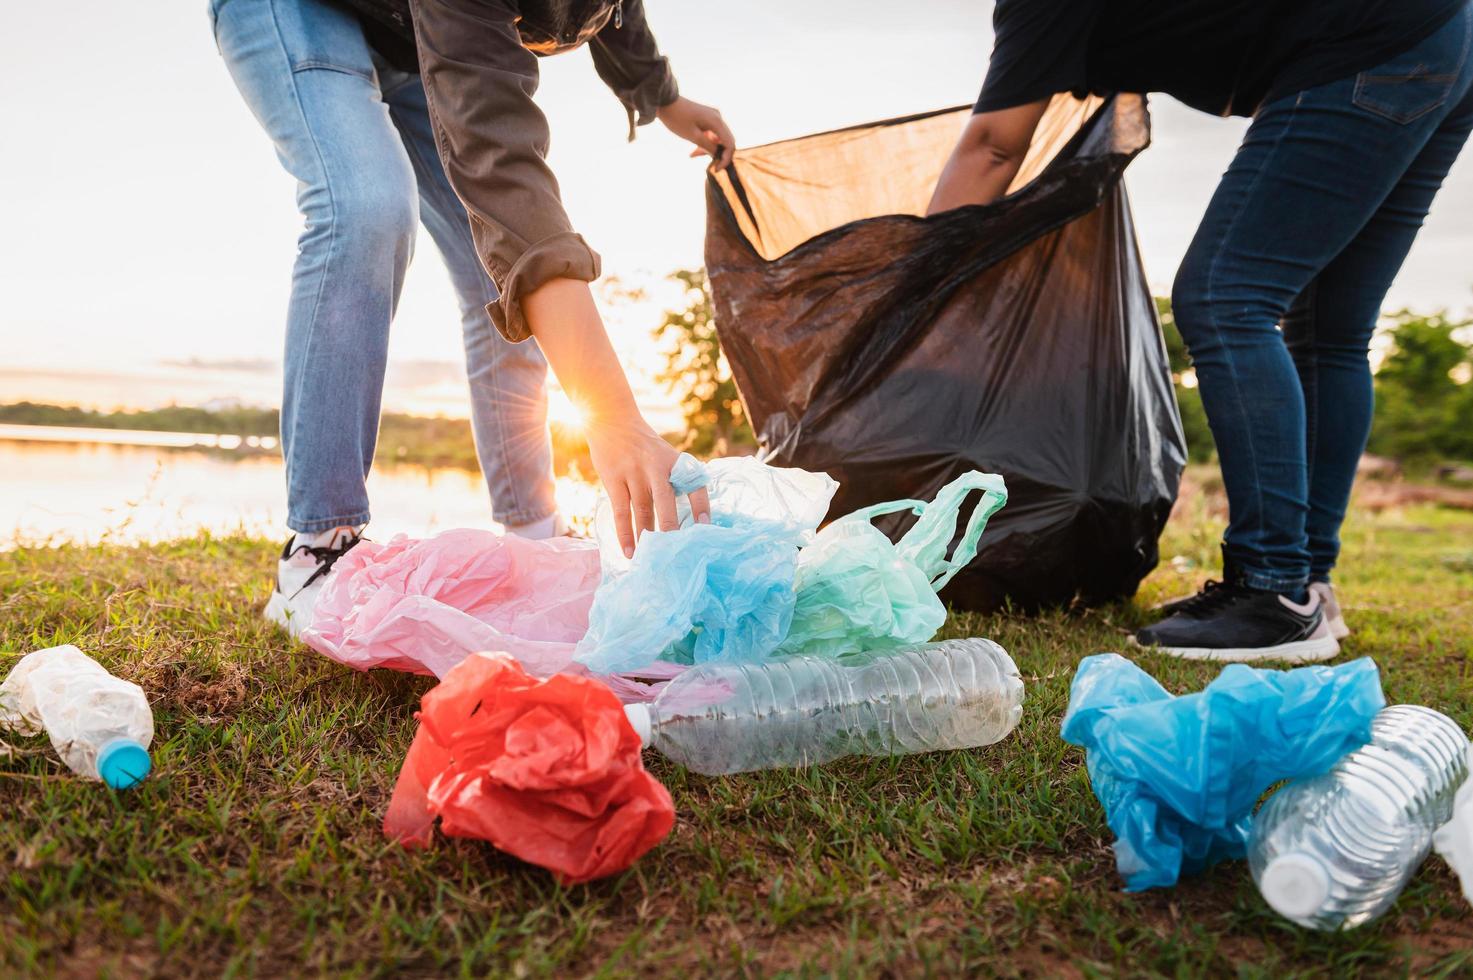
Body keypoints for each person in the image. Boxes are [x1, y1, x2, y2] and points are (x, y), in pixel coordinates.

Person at [930, 0, 1473, 661]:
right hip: (1442, 38)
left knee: (1224, 295)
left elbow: (992, 144)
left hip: (1369, 42)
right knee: (1330, 329)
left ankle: (1272, 591)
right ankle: (1306, 588)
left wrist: (918, 285)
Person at [208, 0, 728, 634]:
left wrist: (664, 98)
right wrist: (616, 419)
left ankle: (534, 536)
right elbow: (501, 163)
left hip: (413, 40)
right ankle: (318, 547)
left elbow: (617, 9)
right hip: (304, 9)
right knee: (367, 205)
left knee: (499, 275)